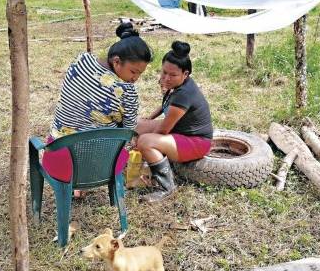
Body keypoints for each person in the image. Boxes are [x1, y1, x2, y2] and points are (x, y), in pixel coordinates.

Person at [42, 23, 153, 194]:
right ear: (117, 62)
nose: (135, 78)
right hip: (102, 166)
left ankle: (78, 188)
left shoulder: (82, 60)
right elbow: (128, 131)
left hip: (58, 159)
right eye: (133, 71)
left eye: (140, 74)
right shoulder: (127, 92)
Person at [136, 41, 213, 202]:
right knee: (138, 124)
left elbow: (163, 130)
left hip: (196, 142)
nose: (166, 78)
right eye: (164, 72)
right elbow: (166, 106)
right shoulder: (178, 86)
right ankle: (152, 156)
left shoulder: (184, 94)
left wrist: (142, 147)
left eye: (172, 75)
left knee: (145, 141)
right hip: (180, 131)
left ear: (185, 74)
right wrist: (149, 119)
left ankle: (166, 187)